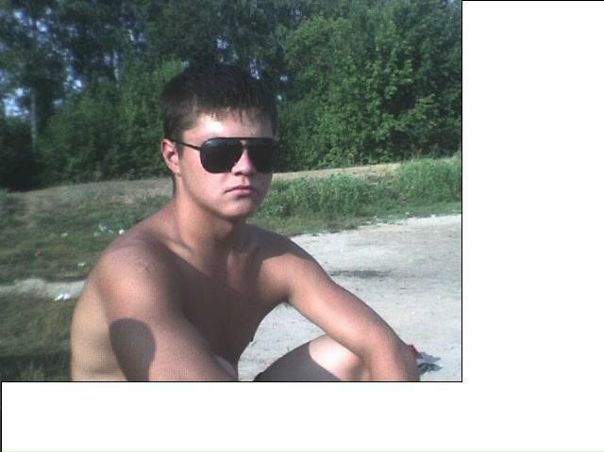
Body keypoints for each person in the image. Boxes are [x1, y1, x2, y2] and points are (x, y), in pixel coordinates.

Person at [70, 63, 419, 381]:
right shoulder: (135, 267)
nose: (245, 167)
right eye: (220, 152)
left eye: (262, 153)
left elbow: (384, 346)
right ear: (173, 156)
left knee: (357, 354)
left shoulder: (272, 258)